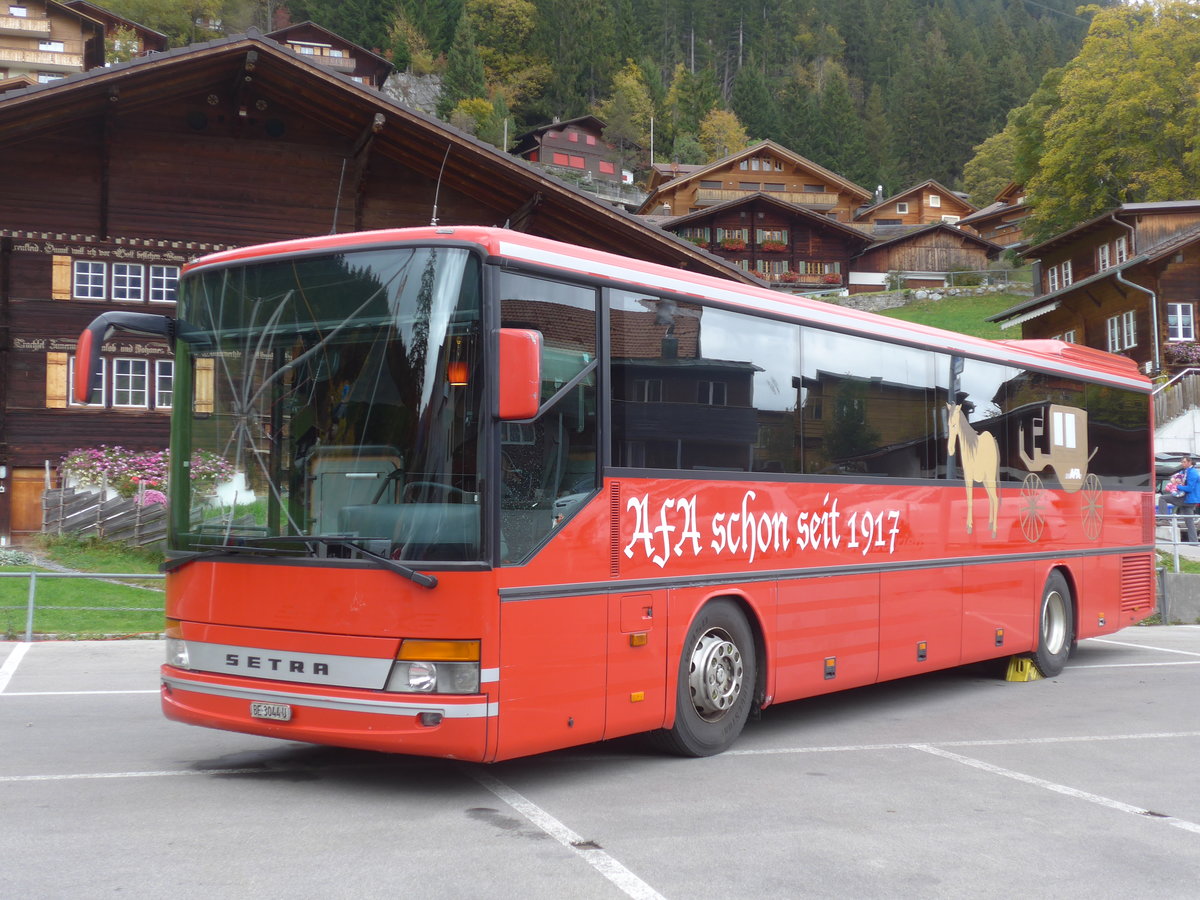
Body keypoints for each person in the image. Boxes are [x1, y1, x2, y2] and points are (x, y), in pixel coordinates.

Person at [1174, 456, 1200, 543]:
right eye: (1182, 462)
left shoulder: (1193, 473)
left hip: (1189, 499)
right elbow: (1177, 477)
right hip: (1187, 499)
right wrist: (1174, 479)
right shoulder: (1185, 471)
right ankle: (1194, 541)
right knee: (1189, 521)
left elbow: (1189, 488)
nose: (1182, 463)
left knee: (1163, 498)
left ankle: (1163, 519)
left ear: (1189, 462)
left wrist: (1177, 486)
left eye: (1184, 462)